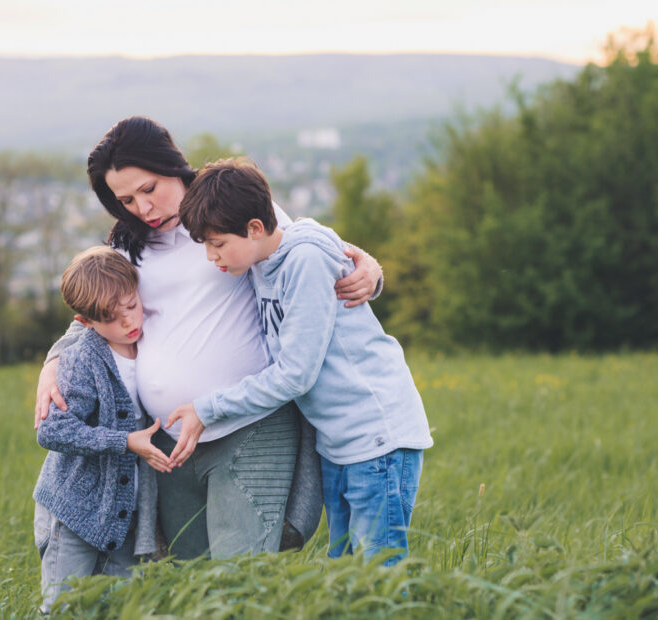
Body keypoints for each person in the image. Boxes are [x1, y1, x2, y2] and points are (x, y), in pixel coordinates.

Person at [34, 116, 384, 560]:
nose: (143, 207)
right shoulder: (127, 247)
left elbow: (300, 251)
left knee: (240, 572)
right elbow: (95, 310)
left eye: (149, 188)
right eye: (125, 199)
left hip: (249, 423)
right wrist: (55, 360)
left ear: (173, 166)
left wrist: (366, 266)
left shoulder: (229, 210)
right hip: (169, 439)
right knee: (190, 576)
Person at [168, 158, 433, 565]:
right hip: (340, 441)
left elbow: (296, 374)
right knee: (346, 566)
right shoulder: (260, 258)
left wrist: (209, 409)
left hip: (376, 435)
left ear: (255, 228)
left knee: (380, 571)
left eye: (217, 244)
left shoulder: (303, 259)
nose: (210, 257)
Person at [32, 246, 170, 613]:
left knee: (120, 607)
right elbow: (52, 431)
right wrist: (124, 441)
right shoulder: (82, 358)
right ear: (86, 322)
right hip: (75, 511)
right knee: (64, 605)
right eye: (112, 317)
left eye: (131, 305)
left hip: (126, 513)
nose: (128, 321)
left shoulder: (150, 343)